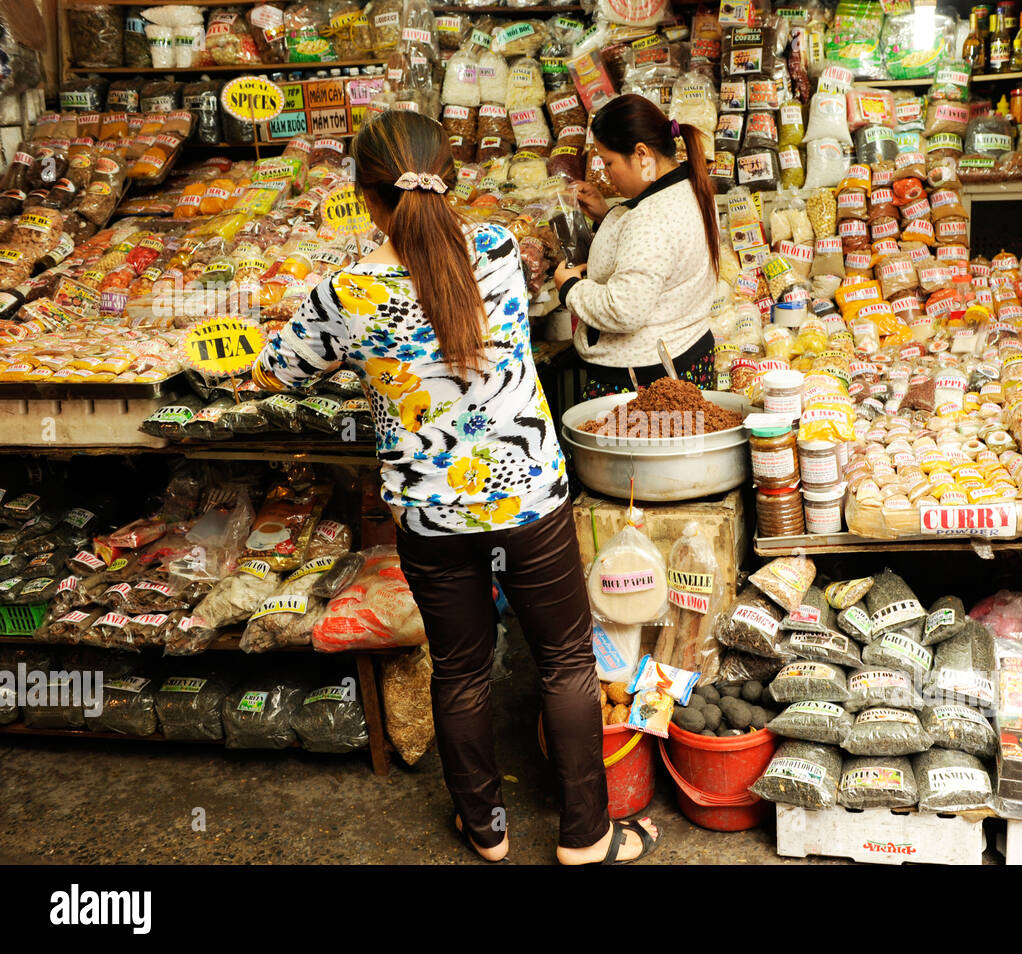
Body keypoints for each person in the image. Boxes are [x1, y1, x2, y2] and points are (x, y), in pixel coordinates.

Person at [251, 110, 659, 865]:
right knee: (565, 662)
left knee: (461, 668)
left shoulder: (345, 293)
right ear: (455, 181)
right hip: (529, 493)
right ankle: (584, 835)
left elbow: (276, 373)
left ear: (365, 197)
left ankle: (486, 828)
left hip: (431, 512)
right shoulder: (501, 250)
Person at [553, 94, 721, 400]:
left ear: (641, 153)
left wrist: (570, 288)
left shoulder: (651, 218)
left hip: (645, 383)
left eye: (609, 162)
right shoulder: (691, 190)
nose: (606, 172)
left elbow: (624, 310)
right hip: (685, 356)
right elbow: (660, 256)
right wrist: (607, 216)